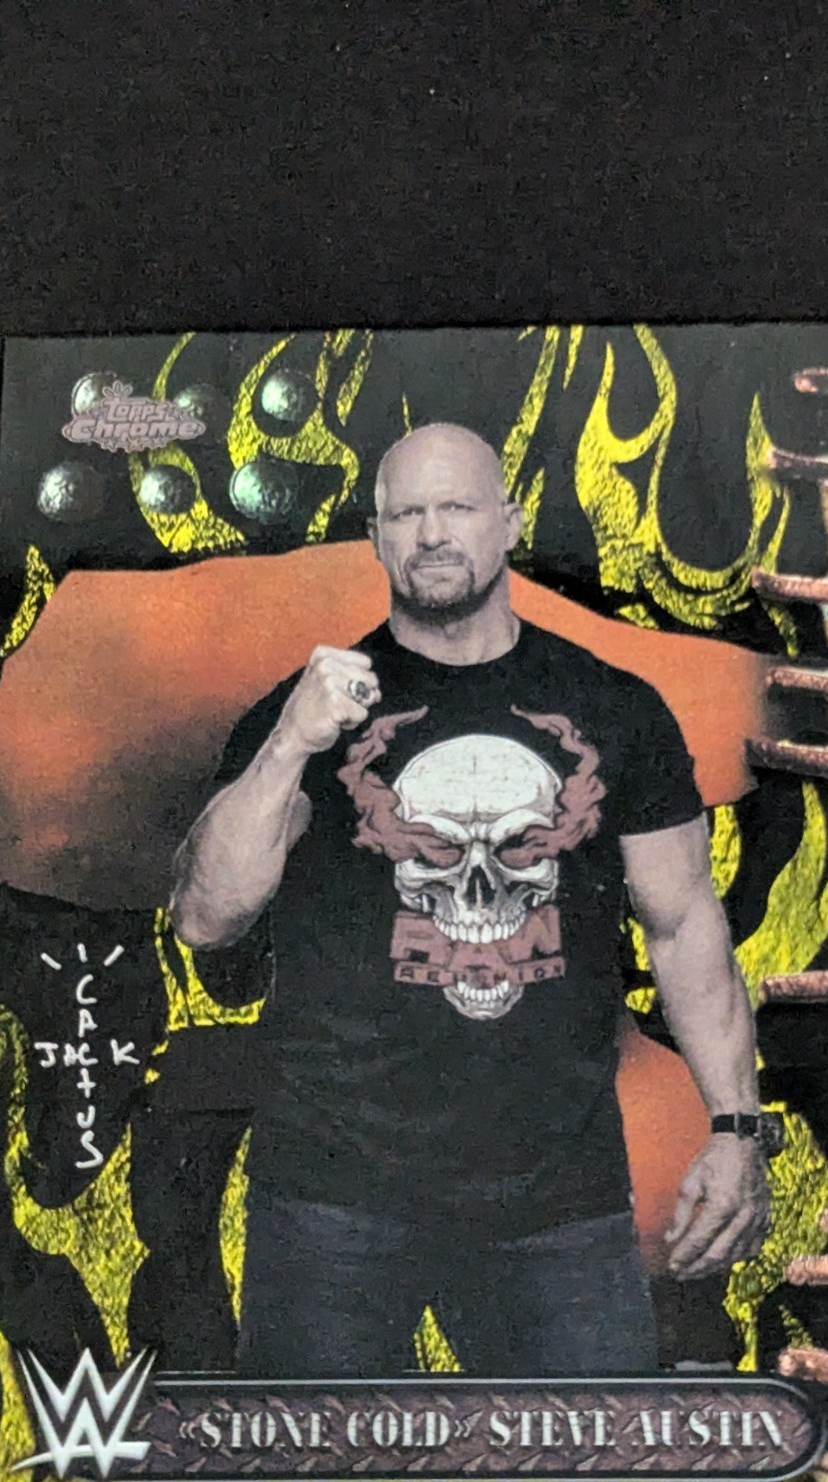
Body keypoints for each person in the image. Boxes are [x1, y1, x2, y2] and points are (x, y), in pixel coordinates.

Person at [167, 422, 769, 1377]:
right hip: (333, 1194)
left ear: (510, 523)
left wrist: (735, 1127)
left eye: (456, 507)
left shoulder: (614, 707)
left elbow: (685, 924)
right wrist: (290, 744)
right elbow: (207, 918)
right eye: (407, 513)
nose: (432, 533)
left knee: (584, 1465)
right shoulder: (308, 715)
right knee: (310, 1465)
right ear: (377, 537)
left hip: (557, 1200)